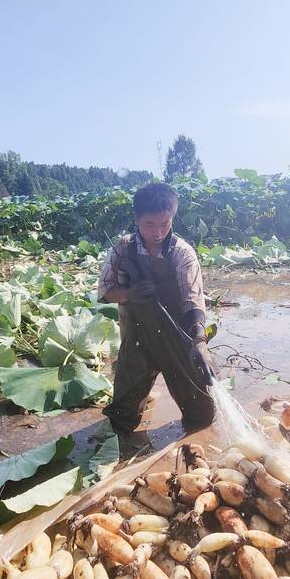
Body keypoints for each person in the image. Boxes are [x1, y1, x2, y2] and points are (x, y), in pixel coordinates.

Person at [97, 182, 216, 435]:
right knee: (121, 420)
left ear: (172, 218)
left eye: (165, 224)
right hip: (137, 337)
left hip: (177, 336)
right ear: (137, 219)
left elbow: (193, 299)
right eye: (150, 224)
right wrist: (131, 294)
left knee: (201, 417)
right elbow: (105, 291)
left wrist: (200, 341)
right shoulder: (123, 248)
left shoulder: (183, 253)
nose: (158, 233)